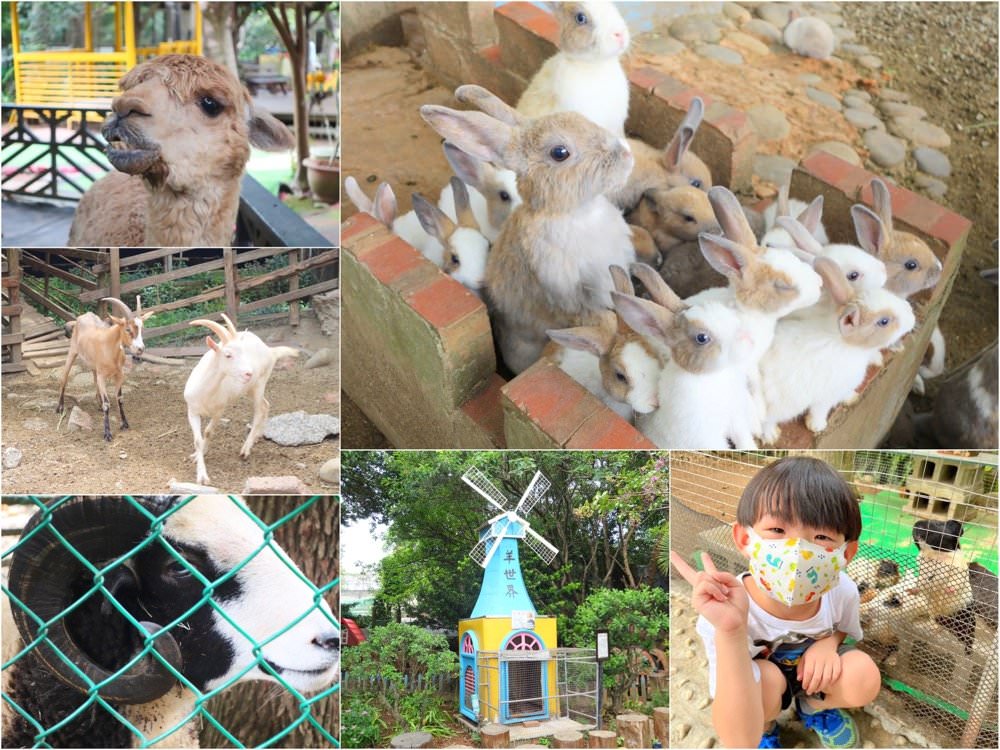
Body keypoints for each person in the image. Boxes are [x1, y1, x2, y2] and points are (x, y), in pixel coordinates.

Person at [671, 456, 881, 749]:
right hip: (765, 685)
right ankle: (765, 726)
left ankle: (813, 707)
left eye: (821, 536)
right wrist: (731, 631)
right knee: (762, 687)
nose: (797, 553)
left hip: (815, 675)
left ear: (846, 553)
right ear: (745, 539)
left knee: (863, 674)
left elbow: (843, 627)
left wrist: (829, 643)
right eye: (777, 531)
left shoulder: (842, 590)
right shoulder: (721, 613)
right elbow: (735, 741)